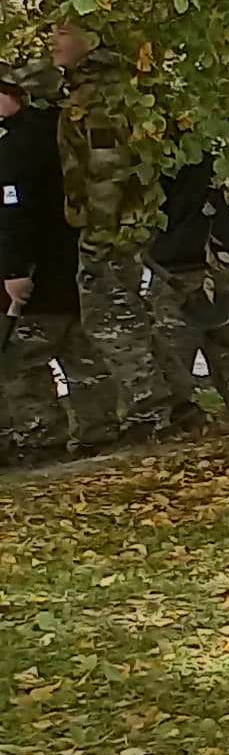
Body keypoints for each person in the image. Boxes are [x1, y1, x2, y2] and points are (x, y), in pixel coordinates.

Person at [29, 22, 165, 445]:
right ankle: (166, 405)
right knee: (120, 313)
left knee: (110, 318)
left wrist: (101, 233)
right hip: (110, 225)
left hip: (110, 229)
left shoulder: (100, 97)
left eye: (64, 31)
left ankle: (152, 411)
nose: (53, 39)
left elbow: (107, 171)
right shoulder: (86, 89)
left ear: (92, 38)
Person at [144, 151, 229, 429]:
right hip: (216, 261)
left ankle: (182, 417)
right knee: (228, 347)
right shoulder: (207, 160)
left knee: (172, 353)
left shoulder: (149, 166)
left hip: (175, 270)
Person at [0, 61, 68, 460]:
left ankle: (42, 437)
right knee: (83, 353)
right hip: (69, 262)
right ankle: (100, 427)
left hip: (35, 270)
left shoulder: (19, 145)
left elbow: (16, 213)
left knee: (20, 360)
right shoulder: (63, 132)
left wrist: (13, 270)